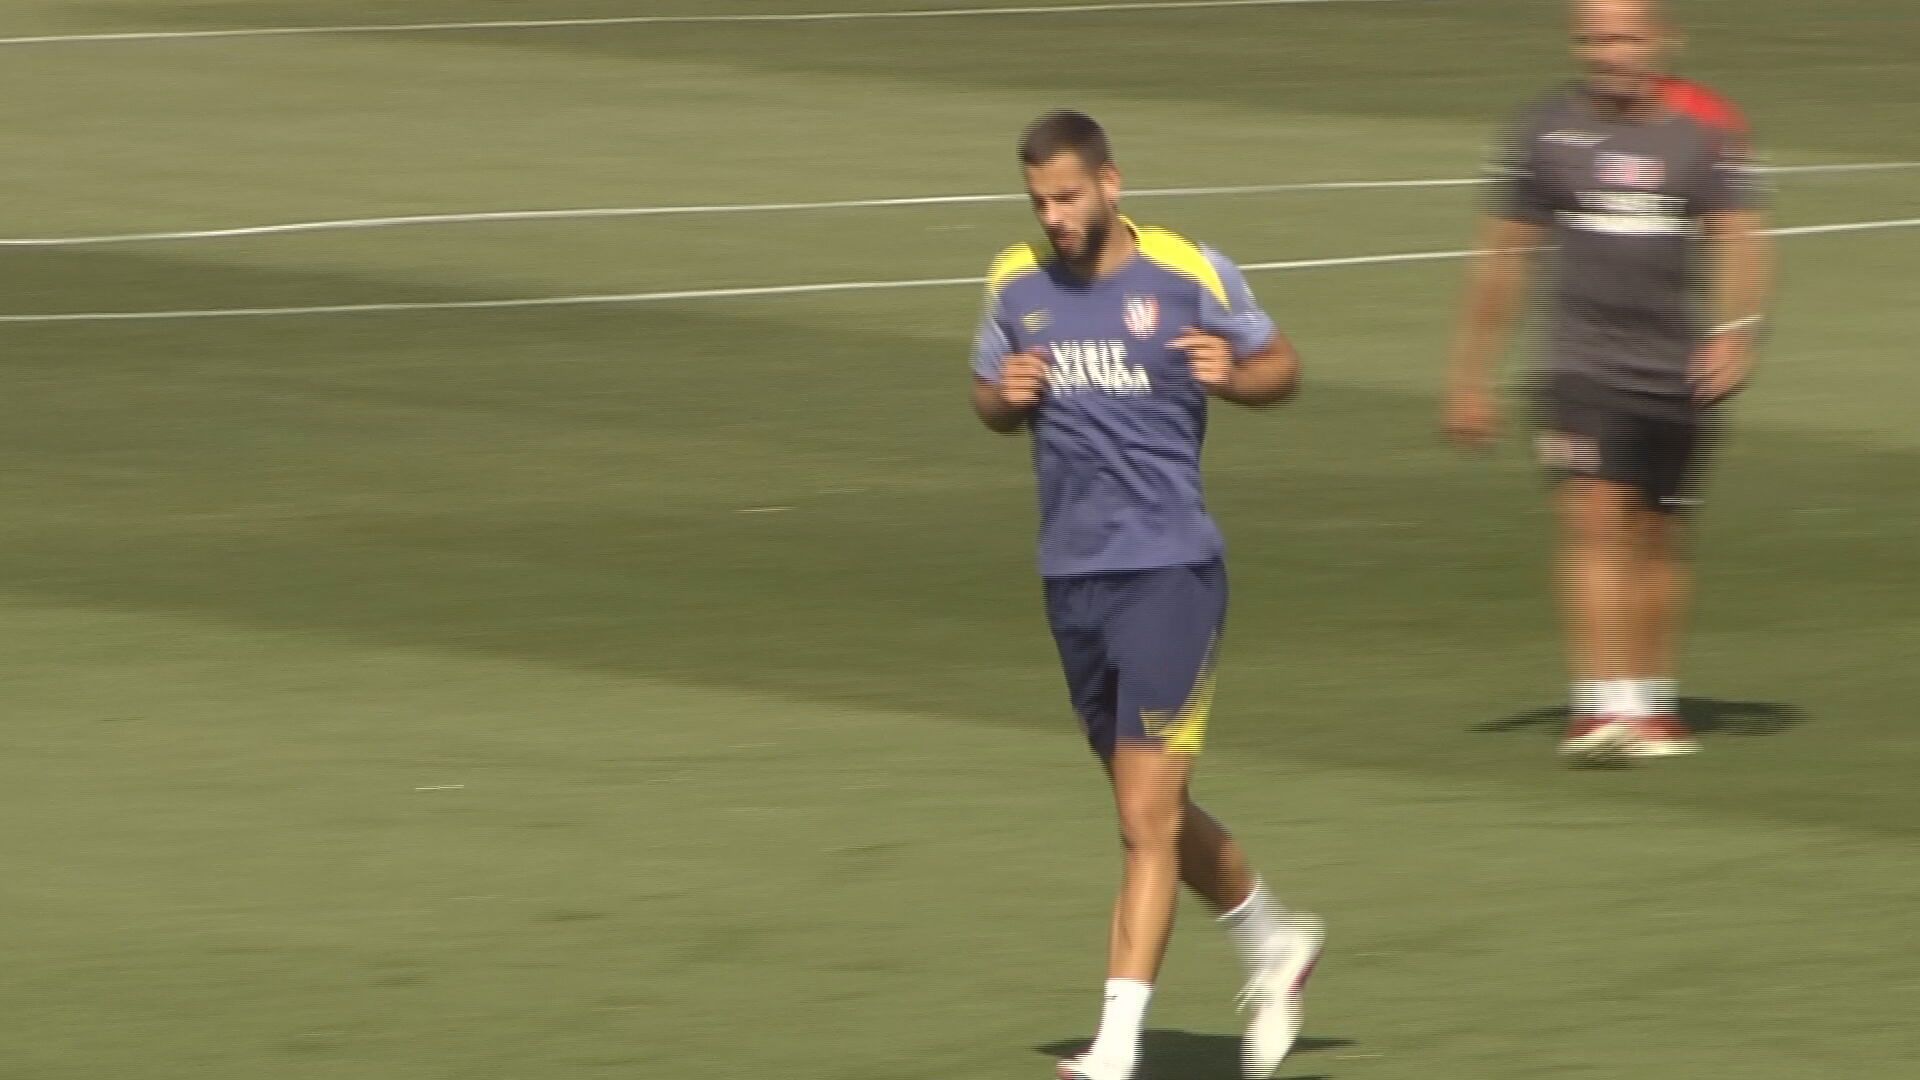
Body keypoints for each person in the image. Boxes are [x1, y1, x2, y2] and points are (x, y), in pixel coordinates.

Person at [970, 109, 1322, 1080]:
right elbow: (986, 396)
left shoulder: (1187, 270)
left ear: (1110, 184)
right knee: (1153, 811)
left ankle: (1116, 1048)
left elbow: (1282, 365)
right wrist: (1006, 397)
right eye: (1039, 202)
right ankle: (1275, 940)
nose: (1054, 217)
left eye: (1067, 197)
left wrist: (1236, 378)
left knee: (1142, 822)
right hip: (1070, 579)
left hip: (1171, 574)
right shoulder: (1013, 282)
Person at [1444, 0, 1772, 763]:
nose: (1608, 51)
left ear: (1662, 40)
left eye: (1624, 36)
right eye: (1593, 39)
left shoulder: (1704, 134)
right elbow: (1504, 257)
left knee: (1658, 532)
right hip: (1579, 366)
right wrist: (1470, 376)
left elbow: (1740, 239)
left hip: (1675, 367)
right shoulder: (1545, 132)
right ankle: (1599, 707)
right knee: (1591, 517)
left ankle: (1651, 706)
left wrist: (1737, 330)